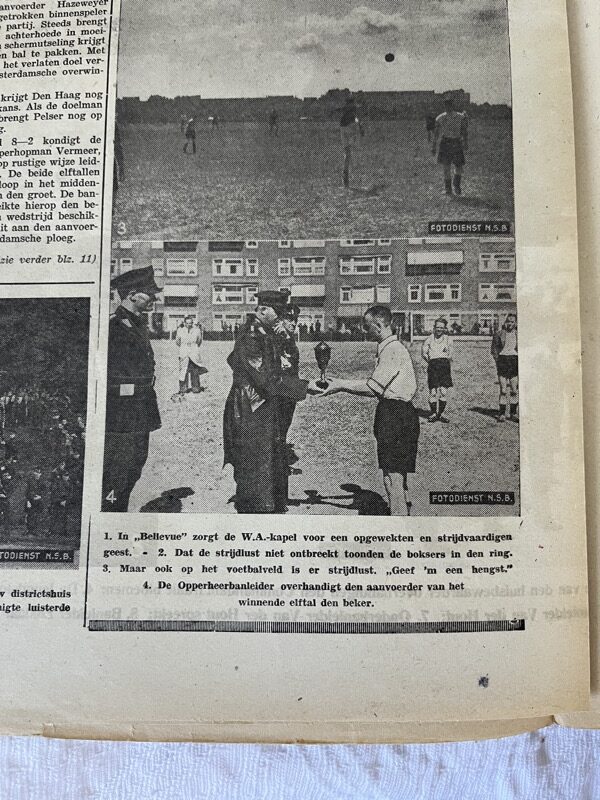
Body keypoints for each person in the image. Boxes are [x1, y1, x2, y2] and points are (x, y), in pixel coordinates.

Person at [315, 305, 420, 516]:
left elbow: (373, 387)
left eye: (367, 327)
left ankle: (399, 530)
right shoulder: (390, 347)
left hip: (395, 416)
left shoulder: (392, 350)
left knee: (392, 480)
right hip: (398, 413)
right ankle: (403, 517)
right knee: (399, 477)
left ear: (379, 326)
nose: (364, 331)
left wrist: (340, 385)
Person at [223, 291, 317, 513]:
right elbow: (266, 379)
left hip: (260, 406)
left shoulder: (263, 332)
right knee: (255, 461)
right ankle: (256, 512)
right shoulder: (252, 335)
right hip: (250, 408)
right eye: (278, 314)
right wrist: (304, 387)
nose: (280, 319)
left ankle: (267, 506)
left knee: (266, 458)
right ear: (263, 310)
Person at [102, 266, 162, 512]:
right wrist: (136, 389)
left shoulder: (136, 324)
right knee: (118, 473)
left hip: (139, 412)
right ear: (133, 294)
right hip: (121, 415)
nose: (154, 298)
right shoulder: (115, 327)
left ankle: (117, 510)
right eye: (149, 293)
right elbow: (107, 378)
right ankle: (110, 515)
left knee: (134, 467)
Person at [432, 95, 468, 196]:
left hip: (455, 142)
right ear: (445, 106)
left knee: (458, 166)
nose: (448, 107)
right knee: (447, 167)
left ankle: (456, 186)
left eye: (449, 105)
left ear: (452, 106)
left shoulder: (460, 117)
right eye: (446, 105)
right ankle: (449, 189)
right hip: (446, 142)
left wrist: (465, 142)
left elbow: (464, 131)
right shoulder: (440, 118)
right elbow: (436, 133)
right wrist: (434, 146)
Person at [421, 318, 453, 423]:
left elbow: (450, 354)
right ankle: (434, 413)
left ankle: (440, 414)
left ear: (445, 328)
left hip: (444, 367)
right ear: (434, 327)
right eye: (437, 327)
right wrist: (431, 360)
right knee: (433, 392)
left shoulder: (448, 339)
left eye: (441, 327)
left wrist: (444, 359)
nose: (439, 329)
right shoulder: (429, 339)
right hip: (433, 367)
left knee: (443, 392)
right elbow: (424, 353)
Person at [278, 303, 301, 446]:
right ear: (280, 320)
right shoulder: (272, 338)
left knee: (285, 425)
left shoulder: (289, 338)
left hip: (290, 390)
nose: (294, 323)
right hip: (278, 390)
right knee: (277, 428)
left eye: (295, 319)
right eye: (289, 319)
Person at [491, 313, 518, 422]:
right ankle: (501, 414)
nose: (510, 324)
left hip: (514, 361)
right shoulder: (499, 334)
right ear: (505, 322)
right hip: (503, 361)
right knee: (503, 390)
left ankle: (513, 413)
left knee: (514, 390)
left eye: (512, 322)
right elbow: (493, 350)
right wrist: (498, 360)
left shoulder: (519, 334)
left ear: (515, 323)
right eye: (508, 322)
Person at [175, 316, 206, 395]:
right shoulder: (180, 330)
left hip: (193, 352)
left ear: (192, 323)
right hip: (184, 352)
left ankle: (195, 387)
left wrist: (193, 347)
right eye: (187, 323)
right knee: (183, 371)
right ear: (184, 323)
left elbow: (199, 341)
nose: (188, 325)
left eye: (190, 323)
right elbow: (178, 341)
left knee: (194, 370)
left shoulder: (197, 330)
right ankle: (183, 388)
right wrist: (184, 347)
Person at [339, 94, 363, 188]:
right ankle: (345, 174)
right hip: (348, 129)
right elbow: (356, 119)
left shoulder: (346, 108)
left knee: (347, 154)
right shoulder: (353, 108)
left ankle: (345, 174)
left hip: (343, 129)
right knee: (348, 152)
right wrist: (360, 127)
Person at [25, 467, 45, 537]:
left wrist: (41, 496)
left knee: (38, 516)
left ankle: (36, 531)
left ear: (41, 474)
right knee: (30, 516)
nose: (37, 474)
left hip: (39, 501)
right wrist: (28, 501)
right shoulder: (29, 481)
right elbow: (26, 492)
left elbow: (45, 491)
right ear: (33, 473)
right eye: (36, 472)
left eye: (39, 473)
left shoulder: (42, 482)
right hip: (31, 501)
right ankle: (30, 531)